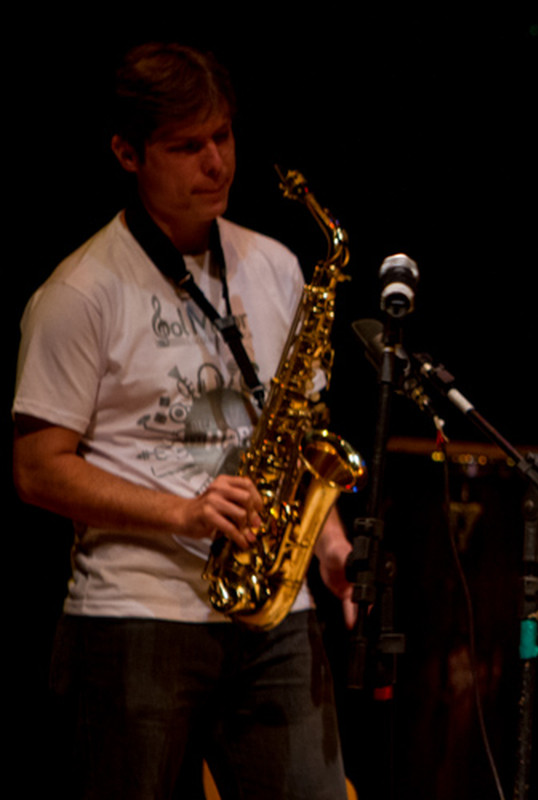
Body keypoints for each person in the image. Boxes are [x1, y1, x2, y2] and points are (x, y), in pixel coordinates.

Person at [13, 43, 352, 799]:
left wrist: (328, 546)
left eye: (223, 137)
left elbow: (294, 431)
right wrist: (185, 513)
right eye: (186, 146)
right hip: (136, 618)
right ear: (127, 153)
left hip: (276, 615)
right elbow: (37, 470)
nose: (215, 163)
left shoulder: (274, 265)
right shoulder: (80, 292)